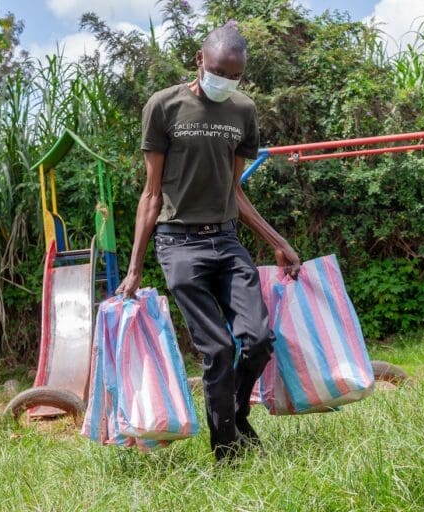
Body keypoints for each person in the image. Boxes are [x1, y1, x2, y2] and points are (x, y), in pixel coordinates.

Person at [115, 24, 301, 461]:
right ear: (200, 60)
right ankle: (227, 455)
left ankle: (235, 416)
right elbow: (151, 193)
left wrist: (278, 241)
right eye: (218, 71)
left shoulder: (243, 111)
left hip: (225, 238)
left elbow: (236, 191)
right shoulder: (164, 106)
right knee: (217, 348)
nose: (225, 81)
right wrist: (135, 268)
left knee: (257, 339)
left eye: (233, 76)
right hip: (178, 244)